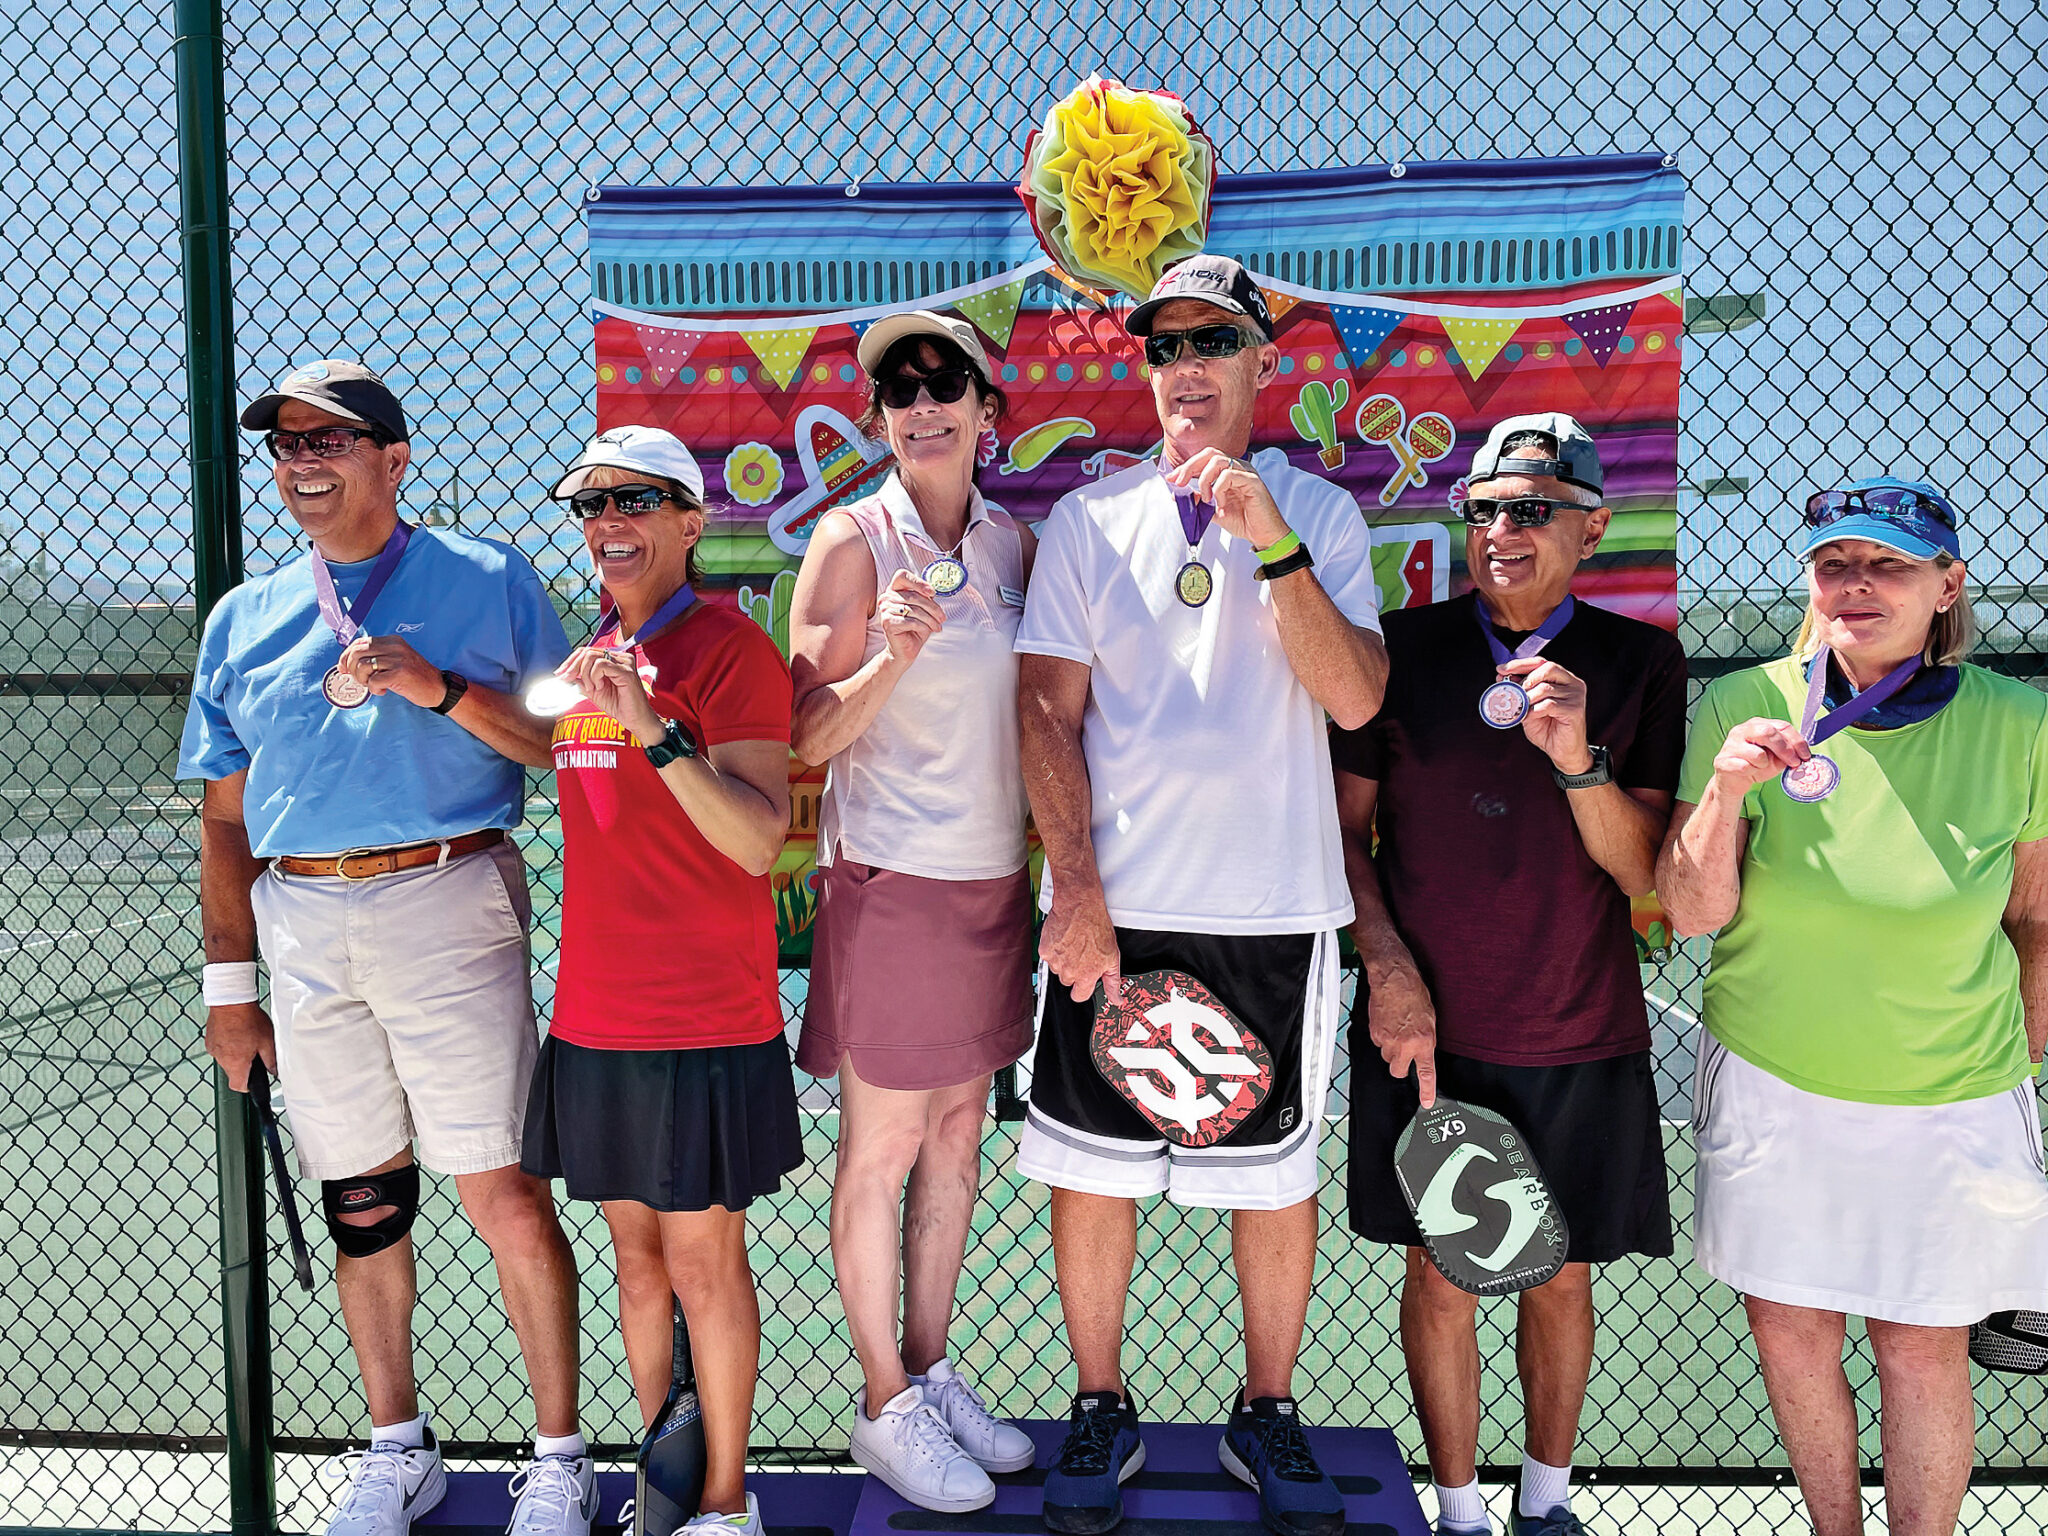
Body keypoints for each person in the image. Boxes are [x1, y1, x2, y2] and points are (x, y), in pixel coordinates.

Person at [179, 361, 593, 1536]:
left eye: (331, 439)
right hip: (300, 922)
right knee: (361, 1196)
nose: (303, 460)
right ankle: (396, 1446)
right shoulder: (243, 618)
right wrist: (229, 990)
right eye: (286, 442)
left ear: (394, 459)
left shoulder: (487, 578)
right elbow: (223, 820)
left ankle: (556, 1457)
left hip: (447, 892)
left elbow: (559, 748)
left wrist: (437, 687)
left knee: (502, 1189)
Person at [1014, 254, 1388, 1536]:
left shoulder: (1318, 517)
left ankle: (1265, 1410)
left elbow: (1352, 698)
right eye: (1164, 346)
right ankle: (1098, 1402)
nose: (1184, 368)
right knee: (1093, 1170)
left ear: (1259, 364)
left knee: (1273, 1181)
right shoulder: (1084, 520)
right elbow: (1044, 712)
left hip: (1274, 910)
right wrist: (1075, 891)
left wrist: (1265, 538)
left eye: (1211, 343)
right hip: (1115, 913)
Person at [1656, 476, 2048, 1536]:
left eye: (1888, 564)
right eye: (1835, 564)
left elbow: (2037, 920)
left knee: (1917, 1342)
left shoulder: (2020, 721)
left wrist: (2012, 1059)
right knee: (1789, 1334)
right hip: (1772, 1076)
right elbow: (1688, 914)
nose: (1856, 584)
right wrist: (1728, 792)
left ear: (1945, 585)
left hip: (1951, 1091)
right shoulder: (1743, 702)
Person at [1331, 415, 1686, 1536]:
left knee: (1560, 1274)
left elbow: (1644, 876)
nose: (1500, 531)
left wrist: (1575, 760)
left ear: (1589, 530)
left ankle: (1544, 1505)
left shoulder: (1638, 663)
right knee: (1441, 1276)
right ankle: (1454, 1513)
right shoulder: (1399, 651)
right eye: (1482, 509)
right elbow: (1340, 837)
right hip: (1427, 1027)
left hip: (1577, 1024)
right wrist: (1385, 967)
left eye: (1530, 509)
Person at [520, 426, 801, 1536]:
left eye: (635, 502)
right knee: (637, 1265)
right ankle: (666, 1488)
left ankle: (725, 1506)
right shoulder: (590, 651)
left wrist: (656, 736)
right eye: (590, 507)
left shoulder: (728, 654)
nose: (608, 524)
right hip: (592, 1016)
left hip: (700, 1017)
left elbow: (754, 842)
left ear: (690, 522)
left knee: (701, 1257)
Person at [787, 313, 1037, 1513]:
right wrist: (883, 660)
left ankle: (930, 1373)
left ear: (988, 407)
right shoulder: (850, 538)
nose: (922, 402)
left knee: (954, 1143)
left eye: (945, 382)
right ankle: (880, 1399)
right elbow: (802, 736)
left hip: (994, 885)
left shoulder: (1011, 545)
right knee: (878, 1151)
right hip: (889, 885)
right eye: (898, 387)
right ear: (879, 414)